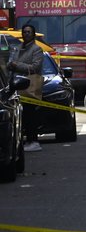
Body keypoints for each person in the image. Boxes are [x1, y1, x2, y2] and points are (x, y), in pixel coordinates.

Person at [8, 24, 44, 152]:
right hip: (15, 86)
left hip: (29, 86)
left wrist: (17, 65)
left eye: (29, 32)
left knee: (30, 115)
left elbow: (35, 67)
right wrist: (11, 65)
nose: (26, 34)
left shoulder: (37, 50)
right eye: (25, 32)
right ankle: (24, 140)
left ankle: (33, 140)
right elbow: (10, 62)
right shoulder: (17, 48)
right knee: (19, 115)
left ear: (33, 34)